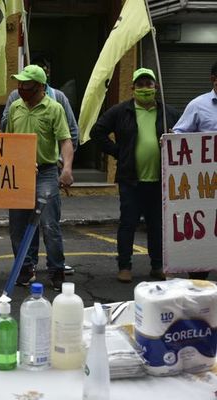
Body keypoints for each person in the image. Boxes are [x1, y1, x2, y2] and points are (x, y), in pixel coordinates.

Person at [91, 67, 180, 283]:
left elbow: (183, 136)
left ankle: (157, 266)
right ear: (132, 88)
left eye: (148, 84)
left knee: (156, 225)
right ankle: (124, 266)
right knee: (128, 223)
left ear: (155, 87)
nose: (145, 88)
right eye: (140, 85)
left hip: (159, 180)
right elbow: (97, 132)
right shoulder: (121, 111)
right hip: (130, 180)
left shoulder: (169, 113)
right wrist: (118, 152)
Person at [1, 56, 78, 276]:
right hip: (19, 173)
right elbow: (8, 141)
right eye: (20, 83)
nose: (21, 88)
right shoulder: (15, 107)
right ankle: (25, 268)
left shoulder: (55, 108)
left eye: (26, 84)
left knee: (49, 225)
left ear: (40, 86)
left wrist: (66, 169)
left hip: (45, 172)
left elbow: (66, 140)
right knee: (17, 226)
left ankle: (56, 270)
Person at [171, 61, 217, 280]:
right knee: (205, 229)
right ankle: (198, 283)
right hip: (206, 186)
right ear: (213, 80)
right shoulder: (198, 105)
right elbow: (178, 136)